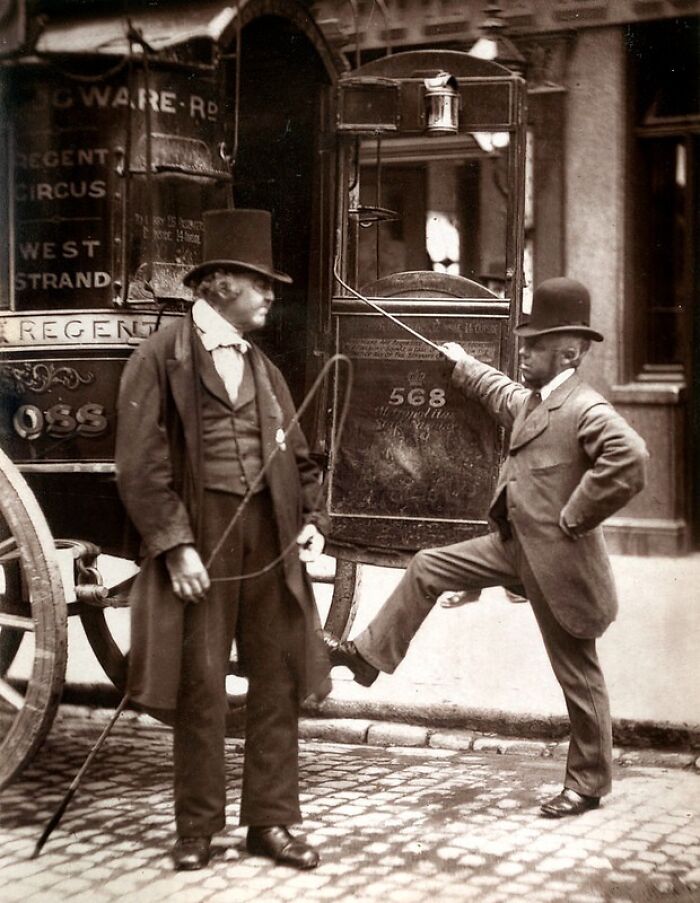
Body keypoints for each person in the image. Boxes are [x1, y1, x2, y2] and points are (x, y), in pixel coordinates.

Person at [326, 277, 649, 819]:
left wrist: (575, 516)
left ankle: (588, 783)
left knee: (577, 675)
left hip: (560, 565)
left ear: (569, 353)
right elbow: (502, 392)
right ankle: (367, 657)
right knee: (428, 566)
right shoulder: (538, 400)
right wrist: (462, 364)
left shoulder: (586, 408)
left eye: (535, 345)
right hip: (513, 548)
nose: (523, 352)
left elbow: (631, 457)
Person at [115, 208, 330, 871]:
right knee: (201, 683)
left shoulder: (263, 368)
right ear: (221, 284)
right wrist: (176, 545)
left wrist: (312, 519)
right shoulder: (161, 356)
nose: (270, 295)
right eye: (261, 283)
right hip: (202, 537)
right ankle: (197, 828)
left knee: (277, 677)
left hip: (270, 538)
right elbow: (140, 463)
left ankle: (271, 822)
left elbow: (300, 457)